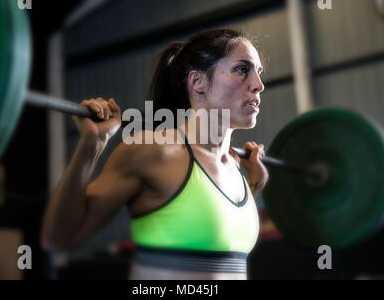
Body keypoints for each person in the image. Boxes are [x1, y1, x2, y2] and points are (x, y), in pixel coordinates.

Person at [41, 28, 268, 280]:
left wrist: (254, 184)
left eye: (258, 72)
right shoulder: (154, 151)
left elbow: (211, 223)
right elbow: (58, 238)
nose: (258, 85)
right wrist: (91, 145)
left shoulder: (235, 167)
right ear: (198, 82)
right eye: (242, 70)